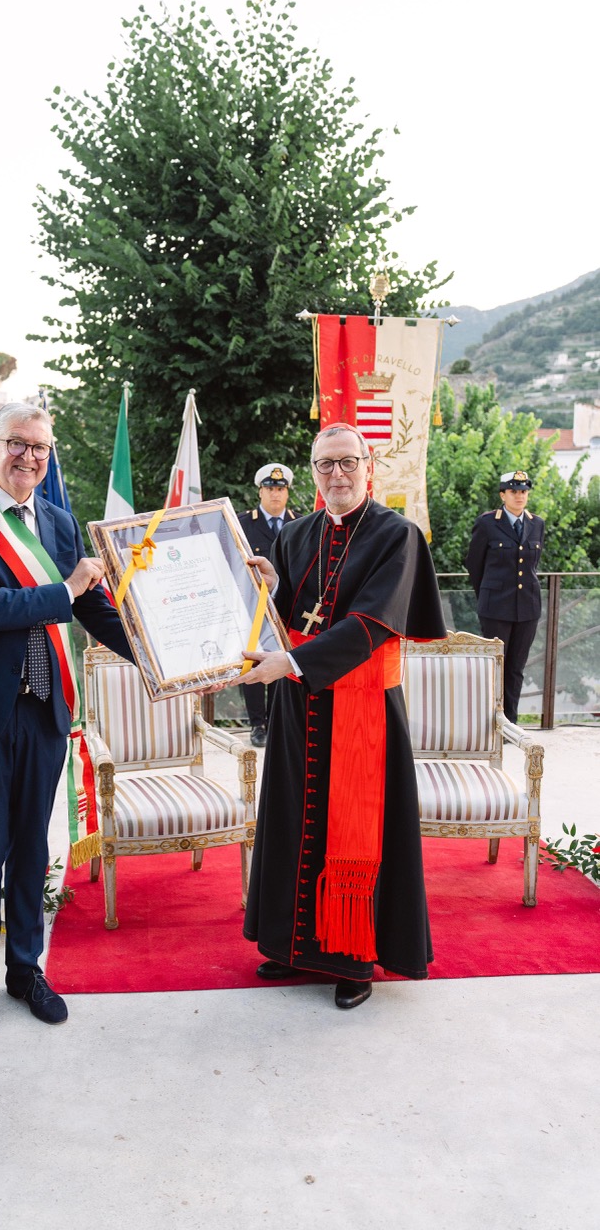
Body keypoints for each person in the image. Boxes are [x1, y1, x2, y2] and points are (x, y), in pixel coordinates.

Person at [0, 402, 132, 1036]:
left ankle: (25, 969)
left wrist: (161, 656)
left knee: (32, 851)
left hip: (45, 711)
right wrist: (66, 588)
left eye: (40, 448)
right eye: (17, 444)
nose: (30, 457)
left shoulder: (59, 521)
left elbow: (94, 609)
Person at [230, 423, 446, 1009]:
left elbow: (371, 625)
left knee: (359, 830)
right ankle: (292, 947)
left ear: (367, 463)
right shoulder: (297, 535)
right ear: (313, 470)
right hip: (302, 708)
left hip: (365, 708)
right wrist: (273, 590)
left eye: (347, 462)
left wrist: (292, 663)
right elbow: (289, 613)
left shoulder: (397, 535)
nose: (337, 475)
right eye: (325, 465)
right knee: (295, 820)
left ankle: (355, 959)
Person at [465, 469, 545, 723]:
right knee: (493, 668)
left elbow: (533, 565)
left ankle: (510, 723)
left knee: (515, 669)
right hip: (495, 608)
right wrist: (487, 594)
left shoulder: (536, 523)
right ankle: (488, 722)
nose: (520, 496)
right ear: (503, 494)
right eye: (514, 491)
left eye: (523, 491)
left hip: (528, 608)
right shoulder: (488, 523)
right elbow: (474, 564)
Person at [236, 463, 298, 747]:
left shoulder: (300, 524)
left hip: (286, 607)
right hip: (250, 607)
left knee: (280, 662)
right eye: (270, 489)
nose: (276, 494)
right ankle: (257, 724)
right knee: (252, 662)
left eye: (281, 489)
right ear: (260, 491)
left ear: (287, 493)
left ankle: (275, 721)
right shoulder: (243, 524)